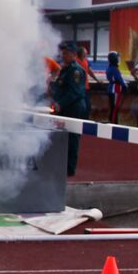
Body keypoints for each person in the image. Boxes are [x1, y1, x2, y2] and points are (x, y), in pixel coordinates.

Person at [50, 41, 90, 177]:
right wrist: (52, 84)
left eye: (66, 54)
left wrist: (60, 104)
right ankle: (62, 165)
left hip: (74, 108)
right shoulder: (65, 69)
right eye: (62, 53)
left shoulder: (75, 71)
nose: (63, 56)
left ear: (74, 54)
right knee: (62, 137)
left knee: (72, 138)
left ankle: (70, 169)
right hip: (65, 107)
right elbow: (60, 88)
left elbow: (75, 92)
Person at [105, 51, 126, 122]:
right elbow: (119, 79)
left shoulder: (109, 68)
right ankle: (114, 122)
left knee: (113, 107)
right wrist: (124, 85)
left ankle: (112, 120)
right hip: (115, 88)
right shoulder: (114, 69)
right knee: (115, 107)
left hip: (111, 88)